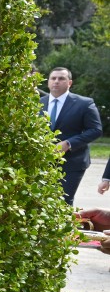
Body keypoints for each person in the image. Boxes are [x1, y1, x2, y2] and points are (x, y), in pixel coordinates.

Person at [40, 67, 103, 204]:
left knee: (63, 201)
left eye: (61, 78)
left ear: (69, 83)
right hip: (41, 161)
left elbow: (95, 130)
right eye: (53, 78)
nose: (56, 81)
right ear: (48, 82)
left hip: (72, 161)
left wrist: (69, 144)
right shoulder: (38, 103)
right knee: (40, 200)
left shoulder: (84, 103)